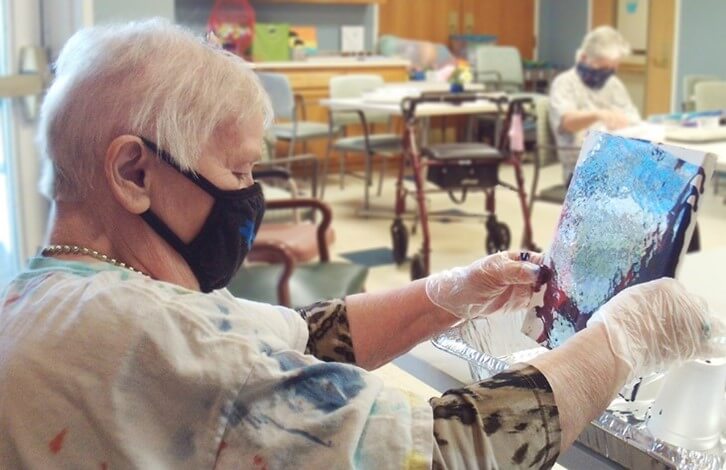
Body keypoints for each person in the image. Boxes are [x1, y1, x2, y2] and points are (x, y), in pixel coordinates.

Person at [0, 20, 722, 469]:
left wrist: (448, 294)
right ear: (133, 171)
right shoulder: (150, 335)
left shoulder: (54, 294)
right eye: (239, 171)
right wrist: (624, 338)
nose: (250, 195)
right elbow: (463, 450)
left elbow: (307, 337)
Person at [549, 26, 641, 185]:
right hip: (581, 168)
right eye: (603, 67)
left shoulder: (613, 84)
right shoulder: (564, 83)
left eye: (613, 68)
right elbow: (567, 122)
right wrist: (598, 115)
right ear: (584, 58)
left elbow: (633, 118)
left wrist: (623, 121)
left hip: (617, 160)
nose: (608, 73)